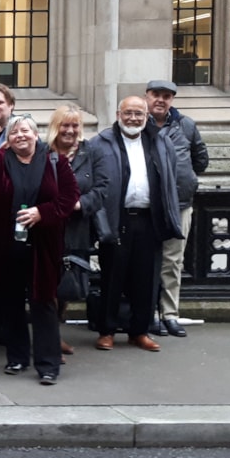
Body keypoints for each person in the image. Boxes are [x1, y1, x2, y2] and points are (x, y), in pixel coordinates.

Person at [0, 115, 79, 384]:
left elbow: (69, 196)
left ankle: (48, 365)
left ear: (36, 135)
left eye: (25, 131)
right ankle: (16, 358)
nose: (20, 136)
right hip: (5, 244)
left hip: (43, 246)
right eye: (14, 133)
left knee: (43, 303)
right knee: (11, 303)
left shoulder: (55, 161)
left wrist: (43, 213)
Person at [91, 97, 183, 353]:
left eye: (138, 114)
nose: (133, 118)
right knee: (112, 277)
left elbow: (171, 175)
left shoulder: (160, 141)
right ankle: (107, 330)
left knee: (147, 279)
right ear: (119, 113)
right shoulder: (101, 142)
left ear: (146, 116)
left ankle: (139, 331)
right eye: (128, 113)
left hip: (149, 219)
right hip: (117, 218)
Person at [145, 79, 208, 337]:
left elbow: (200, 159)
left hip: (180, 204)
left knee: (173, 261)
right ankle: (148, 314)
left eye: (166, 96)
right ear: (147, 96)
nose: (161, 100)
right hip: (146, 207)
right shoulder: (138, 123)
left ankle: (170, 314)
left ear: (172, 100)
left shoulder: (186, 125)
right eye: (156, 95)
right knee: (147, 262)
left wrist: (186, 180)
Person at [47, 104, 110, 353]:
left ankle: (56, 328)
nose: (70, 130)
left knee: (67, 284)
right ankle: (50, 337)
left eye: (75, 125)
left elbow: (103, 188)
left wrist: (79, 204)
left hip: (77, 228)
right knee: (47, 284)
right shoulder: (44, 152)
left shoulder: (91, 152)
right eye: (65, 125)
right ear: (55, 126)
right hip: (49, 227)